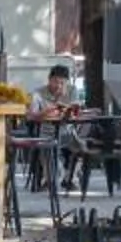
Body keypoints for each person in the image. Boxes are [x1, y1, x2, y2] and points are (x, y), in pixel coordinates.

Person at [31, 64, 92, 196]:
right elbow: (32, 116)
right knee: (47, 151)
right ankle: (50, 179)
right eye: (55, 81)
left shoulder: (72, 90)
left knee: (83, 147)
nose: (58, 85)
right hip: (47, 131)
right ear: (49, 80)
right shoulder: (38, 93)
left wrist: (70, 110)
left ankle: (71, 178)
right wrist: (47, 111)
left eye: (62, 83)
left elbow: (76, 112)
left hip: (67, 131)